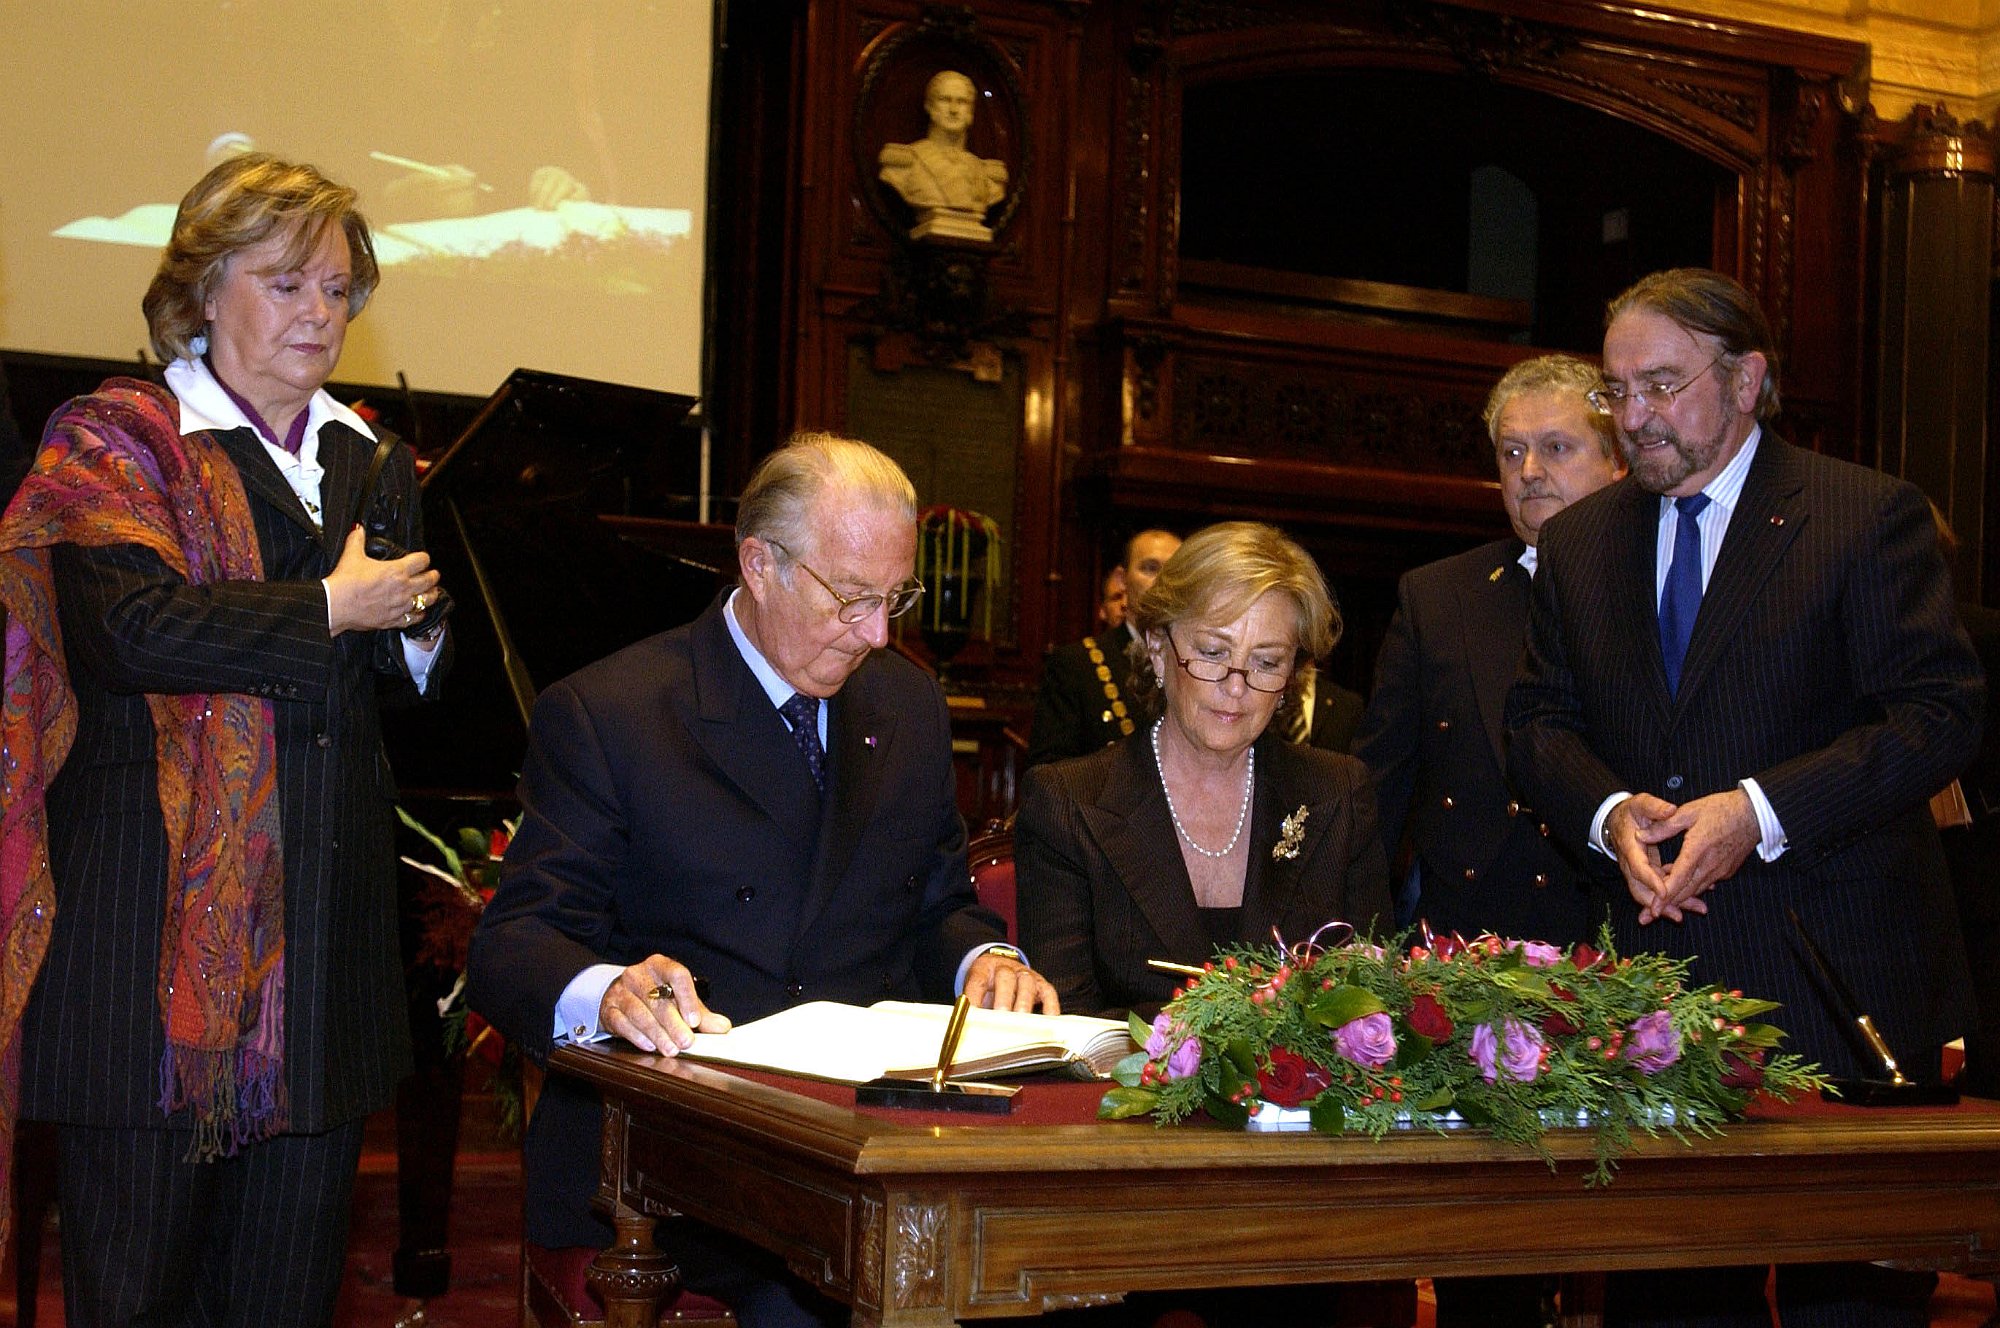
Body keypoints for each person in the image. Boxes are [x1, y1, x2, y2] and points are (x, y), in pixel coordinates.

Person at [465, 431, 1057, 1328]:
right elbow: (513, 946)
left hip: (873, 1146)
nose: (877, 633)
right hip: (679, 1165)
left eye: (894, 596)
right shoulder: (613, 713)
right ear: (760, 564)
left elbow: (937, 902)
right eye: (853, 598)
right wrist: (610, 992)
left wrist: (984, 960)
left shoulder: (905, 704)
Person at [0, 153, 451, 1326]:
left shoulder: (372, 456)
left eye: (340, 289)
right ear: (203, 289)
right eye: (288, 283)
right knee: (136, 1300)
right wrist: (334, 609)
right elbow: (126, 629)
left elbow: (405, 702)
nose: (321, 313)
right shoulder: (116, 439)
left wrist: (417, 637)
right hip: (145, 964)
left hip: (324, 970)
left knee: (283, 1304)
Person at [1506, 268, 1983, 1328]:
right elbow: (1534, 722)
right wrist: (1607, 811)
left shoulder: (1863, 516)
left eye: (1661, 385)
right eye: (1616, 391)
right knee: (1670, 1305)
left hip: (1838, 983)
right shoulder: (1582, 541)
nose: (1633, 417)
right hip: (1656, 1000)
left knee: (1847, 1311)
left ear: (1745, 377)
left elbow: (1937, 717)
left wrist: (1756, 810)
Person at [1351, 353, 1624, 1328]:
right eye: (1511, 451)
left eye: (1555, 446)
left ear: (1616, 458)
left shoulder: (1672, 595)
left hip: (1627, 961)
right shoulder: (1438, 596)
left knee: (1645, 1264)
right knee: (1484, 1274)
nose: (1529, 472)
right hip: (1470, 973)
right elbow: (1374, 793)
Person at [1016, 520, 1393, 1021]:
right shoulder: (1069, 803)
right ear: (1157, 648)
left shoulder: (1337, 795)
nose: (1236, 687)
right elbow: (1069, 1028)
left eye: (1265, 662)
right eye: (1213, 653)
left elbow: (1370, 1003)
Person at [1027, 527, 1181, 767]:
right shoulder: (1078, 664)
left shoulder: (1200, 664)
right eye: (1150, 568)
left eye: (1174, 571)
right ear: (1122, 580)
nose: (1162, 581)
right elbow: (1049, 772)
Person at [877, 70, 1009, 239]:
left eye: (962, 102)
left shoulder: (989, 175)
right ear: (929, 106)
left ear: (971, 111)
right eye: (945, 100)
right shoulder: (904, 162)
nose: (953, 109)